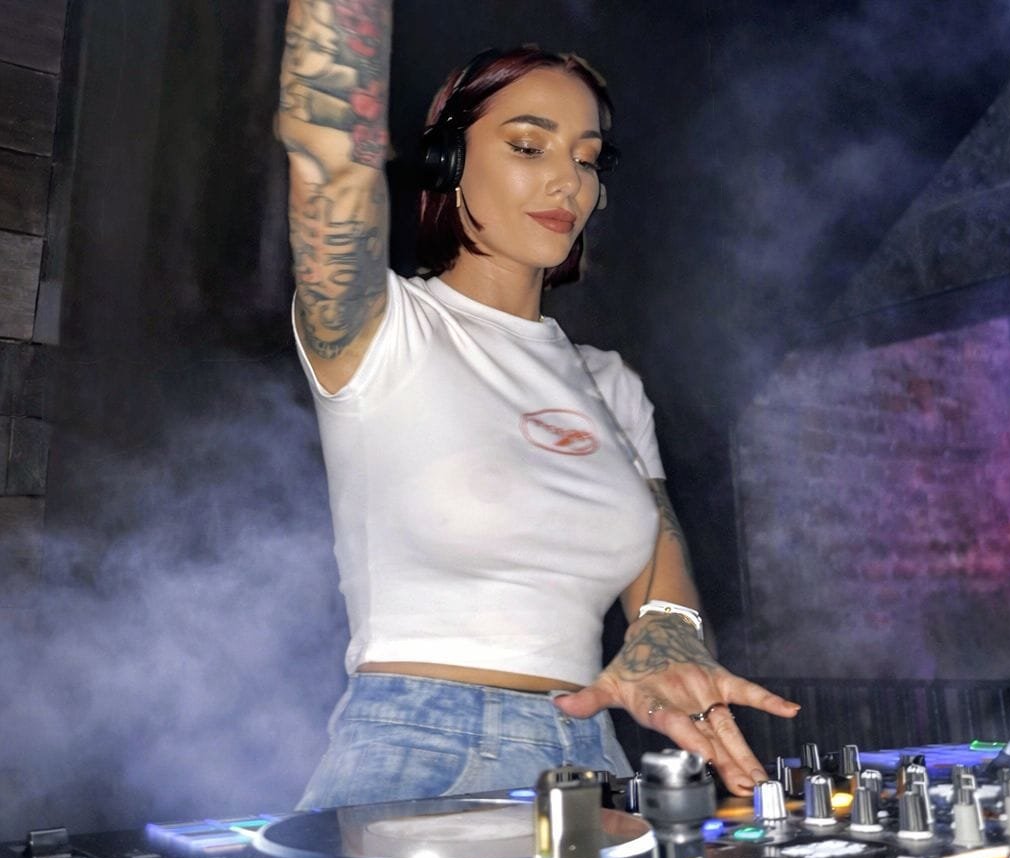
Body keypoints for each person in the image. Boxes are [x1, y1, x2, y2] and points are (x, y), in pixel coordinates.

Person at [278, 0, 799, 806]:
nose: (568, 181)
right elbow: (328, 144)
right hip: (416, 748)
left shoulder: (609, 384)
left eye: (588, 159)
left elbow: (659, 575)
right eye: (529, 146)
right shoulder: (383, 327)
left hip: (589, 758)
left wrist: (667, 640)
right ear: (449, 160)